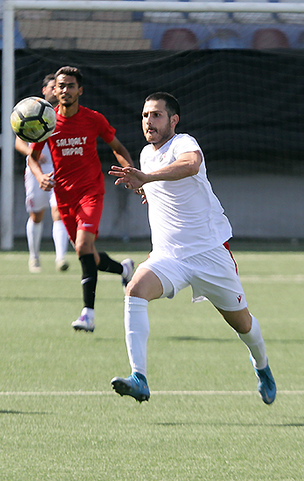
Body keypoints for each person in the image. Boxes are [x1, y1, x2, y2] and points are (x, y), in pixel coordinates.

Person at [108, 92, 276, 404]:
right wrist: (145, 187)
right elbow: (158, 186)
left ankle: (262, 366)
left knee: (243, 325)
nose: (149, 121)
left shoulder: (184, 142)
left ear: (173, 120)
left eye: (157, 115)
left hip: (210, 254)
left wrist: (147, 178)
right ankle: (139, 377)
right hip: (169, 256)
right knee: (134, 290)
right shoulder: (146, 154)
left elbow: (190, 165)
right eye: (145, 115)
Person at [27, 66, 135, 332]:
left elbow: (118, 147)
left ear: (80, 90)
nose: (64, 90)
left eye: (70, 86)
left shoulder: (93, 119)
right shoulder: (46, 121)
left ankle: (88, 314)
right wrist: (40, 175)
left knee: (84, 246)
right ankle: (124, 270)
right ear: (55, 90)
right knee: (85, 253)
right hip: (63, 196)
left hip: (90, 192)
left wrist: (132, 172)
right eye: (60, 86)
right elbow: (32, 157)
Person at [15, 73, 70, 273]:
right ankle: (34, 257)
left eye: (59, 87)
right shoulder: (31, 110)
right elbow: (18, 141)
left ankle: (61, 258)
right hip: (36, 170)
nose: (56, 90)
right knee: (37, 215)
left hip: (59, 170)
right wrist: (33, 152)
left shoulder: (65, 113)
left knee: (59, 213)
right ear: (44, 90)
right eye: (52, 87)